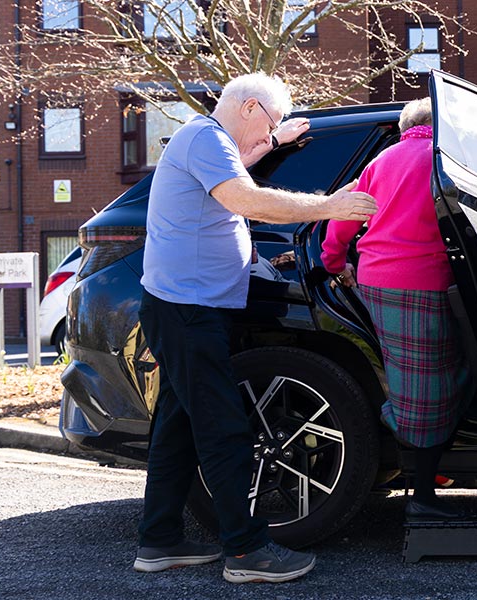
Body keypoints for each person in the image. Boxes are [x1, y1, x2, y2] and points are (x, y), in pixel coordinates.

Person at [134, 73, 377, 584]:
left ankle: (159, 541)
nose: (268, 131)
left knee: (178, 428)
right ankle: (245, 552)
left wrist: (274, 142)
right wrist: (330, 205)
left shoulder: (208, 141)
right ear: (248, 107)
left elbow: (234, 170)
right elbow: (249, 201)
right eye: (269, 121)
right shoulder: (204, 138)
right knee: (223, 428)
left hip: (184, 307)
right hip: (188, 311)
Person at [320, 97, 474, 521]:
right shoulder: (447, 160)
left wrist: (335, 264)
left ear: (405, 128)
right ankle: (422, 494)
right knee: (429, 388)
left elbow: (343, 220)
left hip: (378, 281)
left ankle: (415, 447)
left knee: (419, 378)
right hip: (423, 283)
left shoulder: (381, 162)